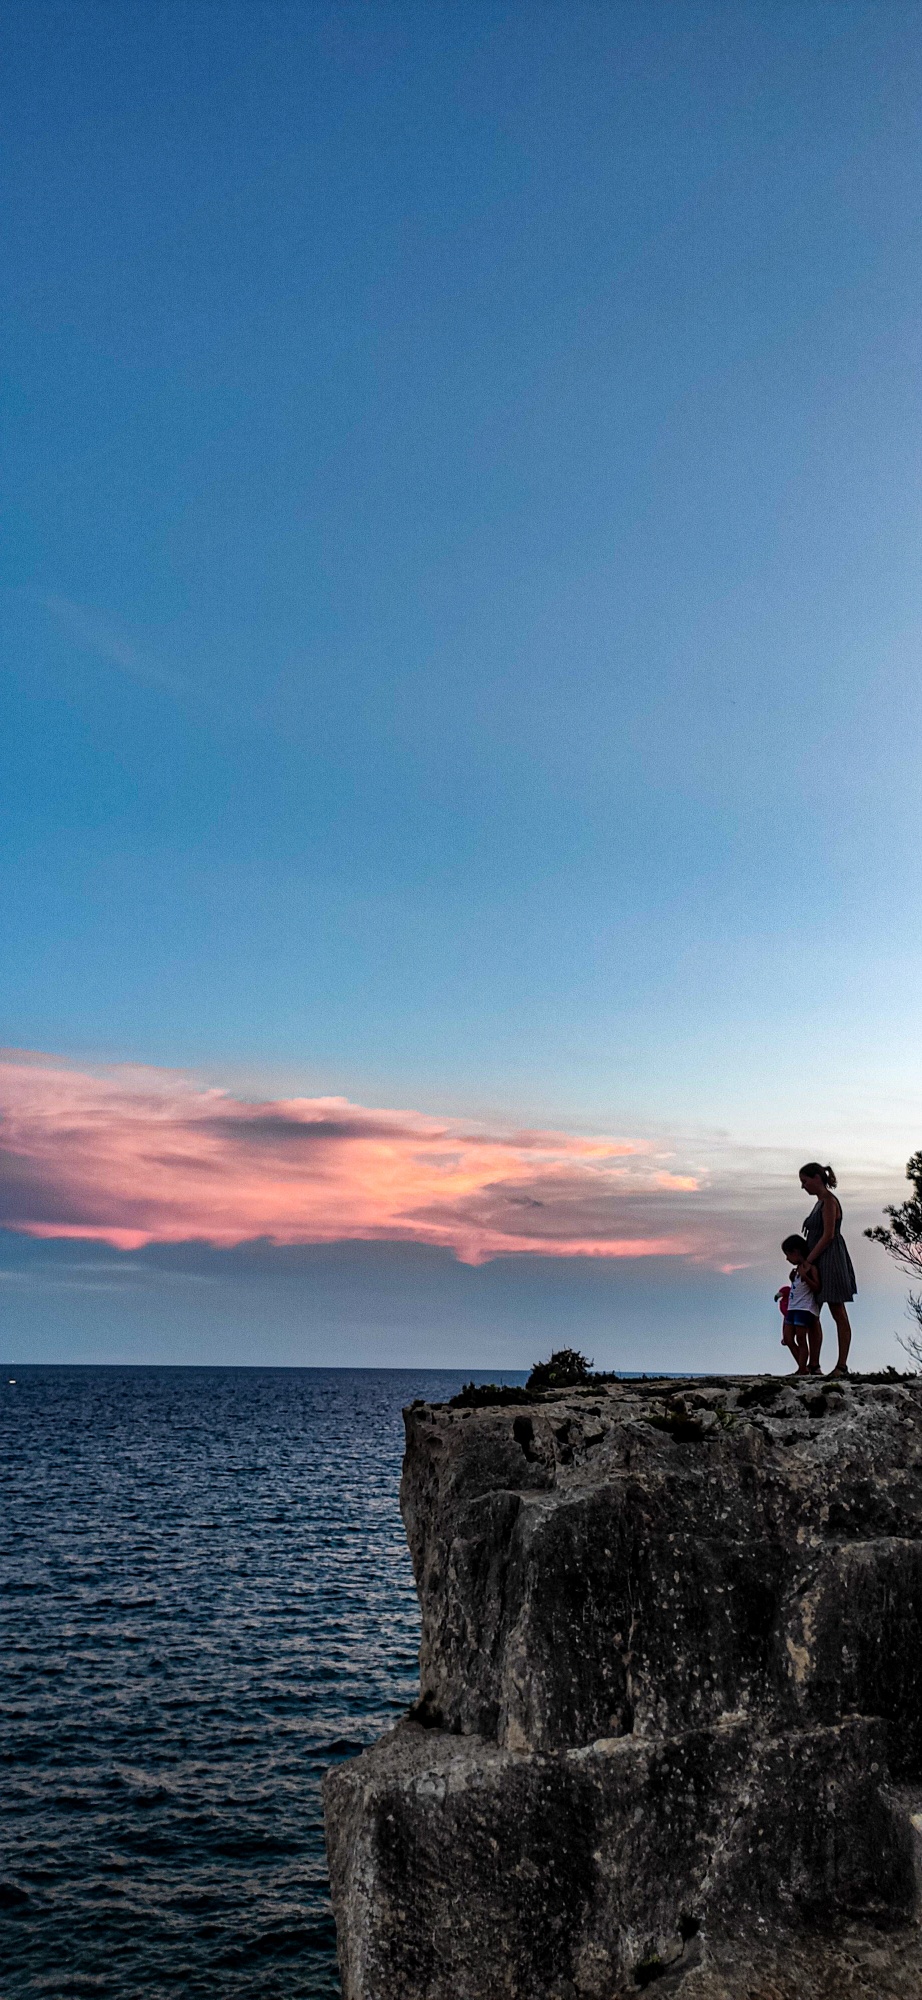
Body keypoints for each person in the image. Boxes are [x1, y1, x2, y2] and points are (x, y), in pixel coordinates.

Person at [798, 1162, 857, 1375]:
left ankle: (841, 1365)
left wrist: (808, 1262)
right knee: (812, 1313)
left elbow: (828, 1235)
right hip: (817, 1262)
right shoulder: (819, 1203)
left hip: (831, 1260)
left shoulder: (830, 1202)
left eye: (805, 1181)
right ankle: (813, 1365)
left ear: (816, 1178)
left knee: (837, 1311)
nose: (803, 1186)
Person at [776, 1234, 822, 1374]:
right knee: (788, 1339)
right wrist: (794, 1278)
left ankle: (802, 1369)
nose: (787, 1258)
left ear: (796, 1252)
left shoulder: (810, 1268)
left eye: (788, 1254)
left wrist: (805, 1277)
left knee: (801, 1338)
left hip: (804, 1308)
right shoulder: (796, 1272)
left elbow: (816, 1287)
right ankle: (803, 1366)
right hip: (793, 1307)